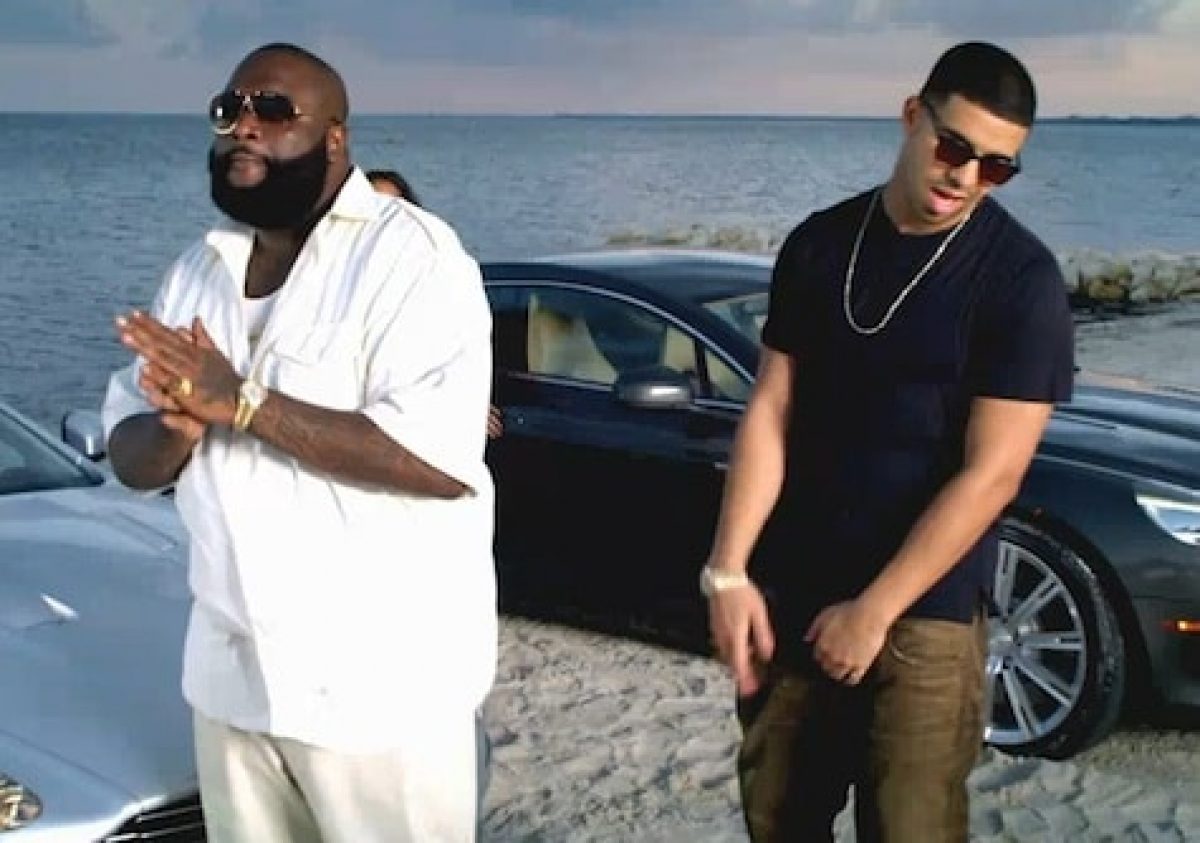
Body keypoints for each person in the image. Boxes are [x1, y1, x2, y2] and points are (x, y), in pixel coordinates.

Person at [103, 43, 495, 842]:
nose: (244, 126)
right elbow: (128, 456)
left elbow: (438, 459)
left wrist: (244, 402)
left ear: (335, 136)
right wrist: (175, 428)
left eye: (274, 110)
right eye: (229, 110)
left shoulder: (412, 258)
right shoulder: (195, 272)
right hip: (232, 684)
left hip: (380, 697)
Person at [702, 41, 1073, 842]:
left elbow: (993, 474)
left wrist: (876, 609)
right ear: (913, 117)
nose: (965, 177)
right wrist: (728, 569)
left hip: (925, 616)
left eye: (996, 167)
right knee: (780, 818)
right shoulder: (819, 244)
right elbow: (771, 408)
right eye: (953, 147)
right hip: (795, 591)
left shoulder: (1022, 281)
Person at [365, 168, 504, 439]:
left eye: (393, 207)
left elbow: (457, 352)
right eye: (374, 206)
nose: (384, 218)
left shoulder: (439, 280)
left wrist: (465, 404)